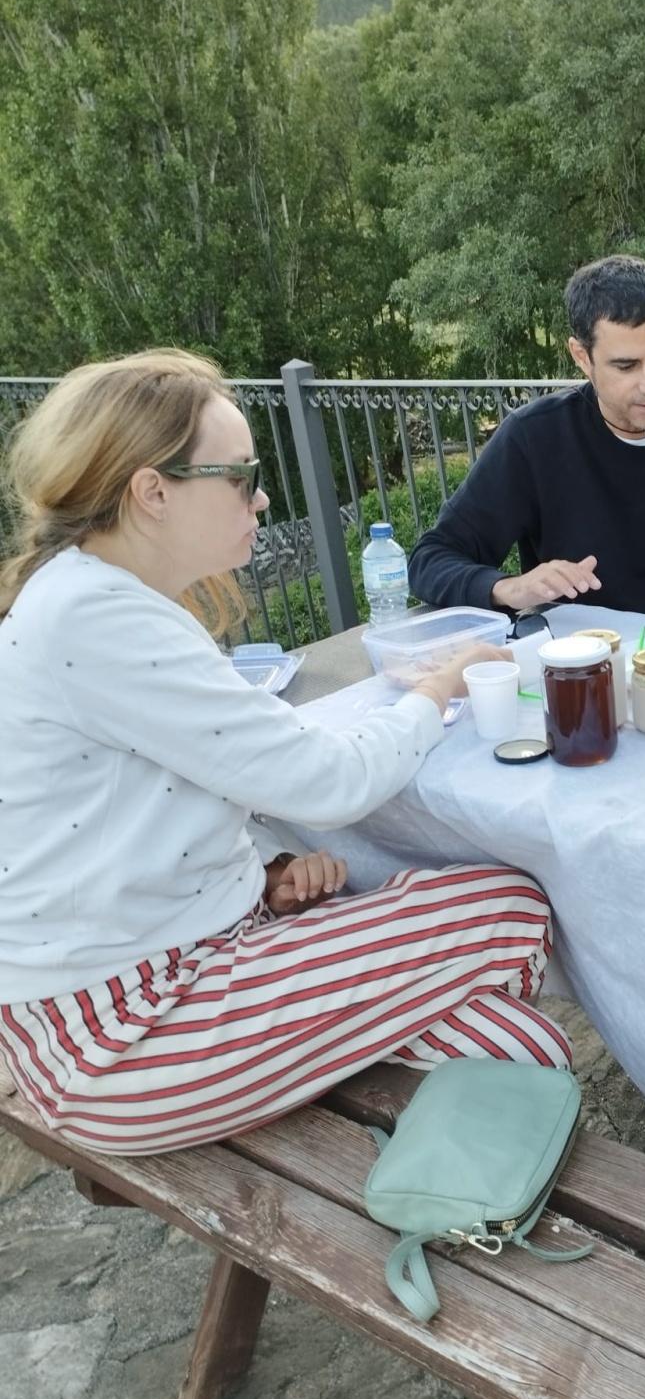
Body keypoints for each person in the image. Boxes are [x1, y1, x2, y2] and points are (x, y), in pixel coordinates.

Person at [0, 351, 571, 1157]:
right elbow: (327, 780)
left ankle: (365, 1083)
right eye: (240, 476)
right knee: (510, 909)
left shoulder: (87, 596)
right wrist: (439, 686)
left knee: (527, 1051)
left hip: (166, 979)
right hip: (126, 1035)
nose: (261, 496)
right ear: (152, 491)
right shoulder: (98, 617)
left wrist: (263, 867)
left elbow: (146, 791)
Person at [408, 255, 645, 626]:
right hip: (576, 667)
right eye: (626, 366)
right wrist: (509, 587)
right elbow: (431, 558)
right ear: (582, 357)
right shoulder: (535, 438)